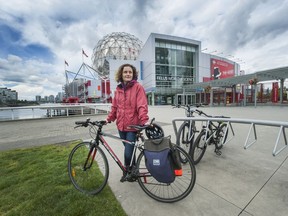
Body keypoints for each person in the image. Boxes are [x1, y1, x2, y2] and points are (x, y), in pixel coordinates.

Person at [105, 63, 149, 182]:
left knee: (128, 153)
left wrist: (144, 120)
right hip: (121, 126)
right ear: (121, 74)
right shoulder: (118, 90)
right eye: (125, 72)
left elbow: (141, 105)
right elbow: (115, 107)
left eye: (130, 72)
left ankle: (126, 172)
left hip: (133, 126)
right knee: (129, 149)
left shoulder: (138, 87)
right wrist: (108, 119)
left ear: (133, 74)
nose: (128, 74)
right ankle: (134, 171)